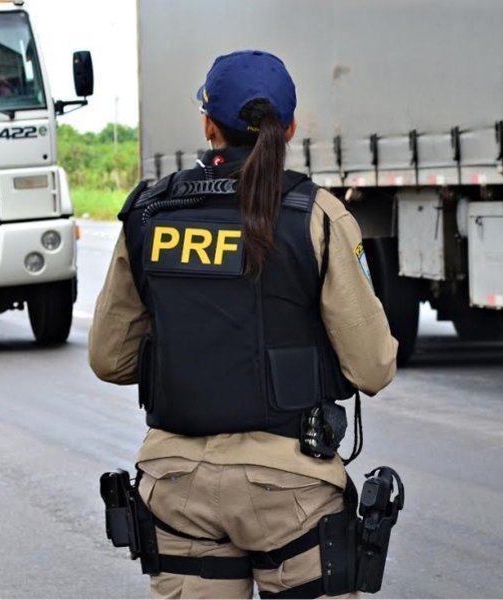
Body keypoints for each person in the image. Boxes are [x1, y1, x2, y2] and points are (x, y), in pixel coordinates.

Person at [89, 49, 399, 599]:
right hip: (293, 491)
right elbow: (372, 367)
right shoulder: (316, 215)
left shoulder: (148, 212)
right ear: (291, 128)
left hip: (177, 486)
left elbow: (109, 359)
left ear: (208, 125)